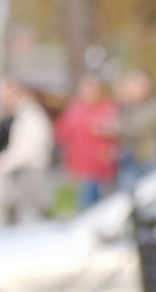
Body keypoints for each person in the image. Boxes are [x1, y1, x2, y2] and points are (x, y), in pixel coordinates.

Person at [0, 79, 52, 229]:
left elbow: (24, 152)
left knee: (29, 220)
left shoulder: (31, 117)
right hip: (18, 174)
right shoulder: (16, 115)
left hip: (28, 174)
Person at [53, 74, 118, 210]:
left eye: (92, 88)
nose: (88, 92)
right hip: (79, 166)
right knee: (83, 206)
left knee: (101, 206)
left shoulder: (108, 107)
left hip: (101, 167)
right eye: (85, 88)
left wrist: (109, 130)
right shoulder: (74, 108)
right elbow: (62, 134)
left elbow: (119, 133)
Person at [114, 69, 156, 190]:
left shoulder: (155, 105)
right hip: (130, 161)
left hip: (150, 159)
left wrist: (115, 127)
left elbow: (136, 128)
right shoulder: (127, 106)